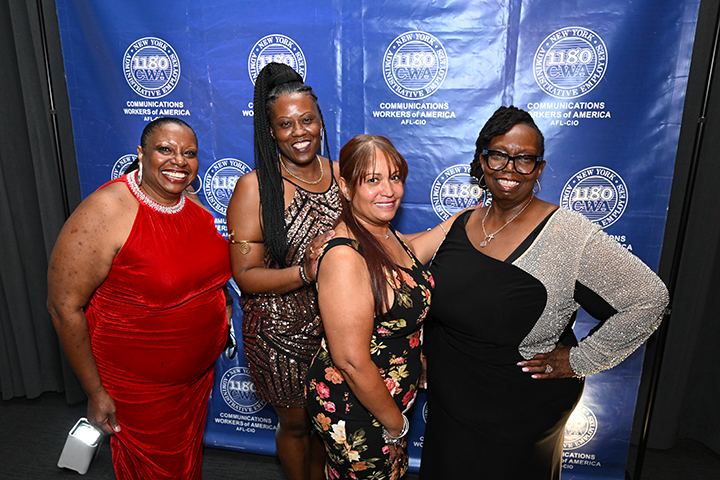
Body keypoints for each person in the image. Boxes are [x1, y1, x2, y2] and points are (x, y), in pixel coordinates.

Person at [419, 105, 669, 479]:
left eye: (524, 159)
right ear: (482, 160)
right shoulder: (463, 221)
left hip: (515, 410)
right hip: (449, 400)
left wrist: (580, 360)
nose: (509, 169)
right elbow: (419, 277)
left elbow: (650, 297)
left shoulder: (568, 233)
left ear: (539, 168)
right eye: (499, 155)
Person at [47, 117, 231, 479]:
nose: (179, 161)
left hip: (194, 379)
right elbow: (63, 307)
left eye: (189, 153)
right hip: (140, 388)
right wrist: (95, 392)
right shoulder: (106, 210)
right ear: (141, 154)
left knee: (185, 464)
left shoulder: (187, 199)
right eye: (165, 149)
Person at [305, 135, 458, 479]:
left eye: (395, 177)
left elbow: (412, 256)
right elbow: (351, 361)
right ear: (346, 187)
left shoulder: (384, 235)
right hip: (356, 407)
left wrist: (468, 216)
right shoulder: (345, 257)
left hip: (385, 399)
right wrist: (395, 424)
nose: (388, 190)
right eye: (373, 180)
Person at [226, 62, 339, 480]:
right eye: (285, 124)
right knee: (296, 425)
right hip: (279, 335)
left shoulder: (342, 176)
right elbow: (245, 274)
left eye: (307, 120)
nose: (299, 132)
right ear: (270, 131)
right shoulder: (255, 188)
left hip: (339, 326)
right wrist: (304, 273)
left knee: (330, 423)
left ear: (320, 120)